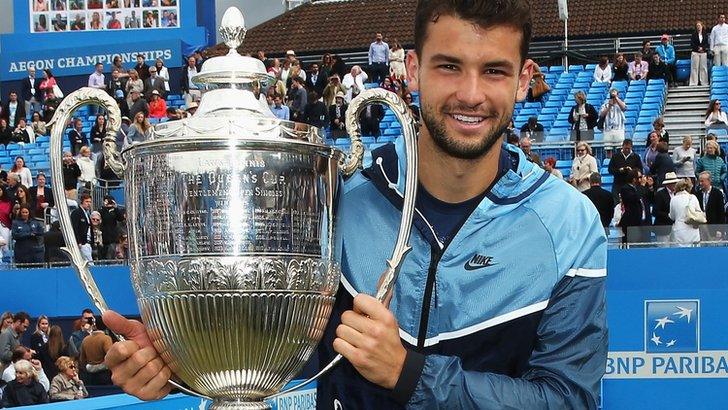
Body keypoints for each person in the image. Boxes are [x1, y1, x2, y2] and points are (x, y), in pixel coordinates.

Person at [104, 2, 608, 409]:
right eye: (449, 66)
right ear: (412, 70)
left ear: (524, 79)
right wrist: (173, 364)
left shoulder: (567, 224)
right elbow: (278, 344)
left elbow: (570, 400)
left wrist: (408, 373)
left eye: (494, 71)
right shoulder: (343, 195)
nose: (470, 94)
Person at [669, 178, 701, 246]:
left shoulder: (673, 199)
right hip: (693, 229)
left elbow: (672, 217)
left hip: (679, 230)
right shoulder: (693, 197)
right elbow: (699, 213)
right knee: (695, 253)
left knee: (680, 254)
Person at [695, 171, 726, 240]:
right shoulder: (698, 194)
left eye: (702, 181)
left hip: (713, 227)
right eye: (699, 181)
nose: (700, 183)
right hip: (701, 227)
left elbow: (721, 213)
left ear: (709, 181)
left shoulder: (717, 193)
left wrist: (720, 229)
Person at [652, 172, 679, 243]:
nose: (675, 184)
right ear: (668, 184)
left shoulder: (678, 194)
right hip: (663, 228)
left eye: (675, 182)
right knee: (663, 249)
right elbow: (655, 212)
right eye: (673, 183)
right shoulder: (660, 194)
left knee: (676, 248)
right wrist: (669, 216)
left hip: (676, 227)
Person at [70, 193, 95, 263]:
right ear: (82, 202)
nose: (89, 204)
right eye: (87, 202)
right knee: (90, 264)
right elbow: (75, 228)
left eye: (90, 202)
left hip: (88, 243)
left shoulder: (87, 214)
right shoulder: (76, 213)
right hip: (83, 243)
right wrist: (78, 241)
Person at [690, 21, 710, 86]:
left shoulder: (705, 34)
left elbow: (707, 43)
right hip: (695, 52)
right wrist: (698, 48)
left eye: (699, 25)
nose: (698, 27)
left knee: (703, 68)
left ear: (702, 26)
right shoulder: (693, 34)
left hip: (703, 52)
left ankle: (704, 82)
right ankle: (693, 83)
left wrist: (702, 48)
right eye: (697, 26)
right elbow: (692, 44)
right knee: (694, 68)